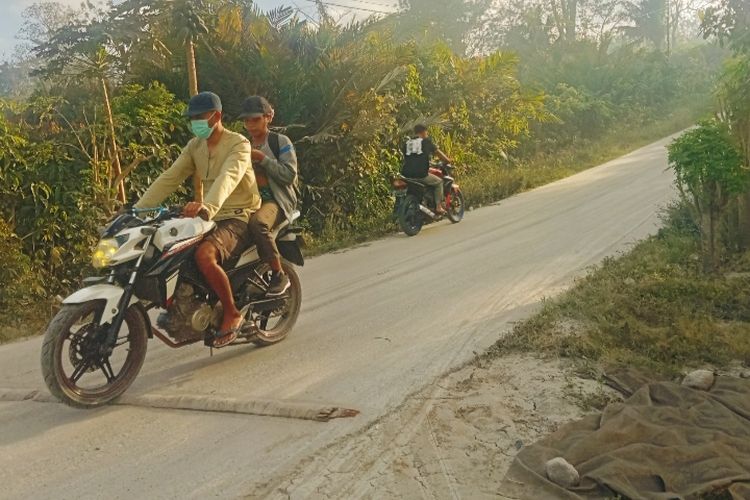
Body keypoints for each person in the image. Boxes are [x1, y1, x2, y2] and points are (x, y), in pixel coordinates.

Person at [134, 91, 261, 348]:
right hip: (210, 217)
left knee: (204, 254)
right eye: (191, 119)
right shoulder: (195, 146)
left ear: (217, 116)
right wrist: (137, 210)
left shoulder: (239, 144)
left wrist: (207, 207)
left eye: (199, 117)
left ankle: (232, 312)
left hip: (238, 215)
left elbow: (229, 176)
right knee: (174, 252)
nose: (195, 123)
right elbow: (170, 177)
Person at [238, 96, 299, 296]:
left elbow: (289, 175)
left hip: (275, 201)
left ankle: (278, 273)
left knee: (258, 224)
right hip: (249, 201)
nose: (250, 124)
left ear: (268, 117)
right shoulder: (241, 145)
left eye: (255, 119)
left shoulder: (279, 141)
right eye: (246, 121)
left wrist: (263, 159)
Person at [401, 124, 453, 214]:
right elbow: (438, 153)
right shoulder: (426, 141)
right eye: (426, 132)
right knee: (439, 182)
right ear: (423, 132)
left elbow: (411, 157)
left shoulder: (407, 143)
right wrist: (447, 160)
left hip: (406, 174)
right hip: (420, 174)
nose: (427, 134)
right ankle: (438, 207)